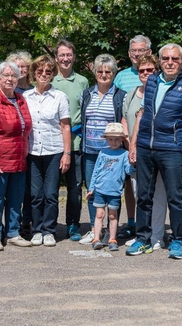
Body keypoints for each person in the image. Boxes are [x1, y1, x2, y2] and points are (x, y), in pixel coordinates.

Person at [127, 43, 182, 259]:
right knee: (143, 196)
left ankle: (177, 240)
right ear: (160, 61)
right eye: (165, 59)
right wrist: (133, 144)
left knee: (174, 198)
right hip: (146, 147)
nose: (170, 63)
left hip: (171, 149)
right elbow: (143, 114)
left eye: (175, 59)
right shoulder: (152, 81)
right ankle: (143, 239)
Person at [0, 61, 33, 251]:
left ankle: (13, 233)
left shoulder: (20, 99)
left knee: (15, 199)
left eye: (13, 76)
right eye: (6, 75)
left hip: (18, 158)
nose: (10, 79)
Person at [23, 55, 71, 247]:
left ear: (53, 74)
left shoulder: (59, 97)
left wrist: (67, 153)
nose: (44, 74)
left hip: (54, 150)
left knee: (51, 194)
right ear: (34, 73)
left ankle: (49, 230)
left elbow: (65, 126)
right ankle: (37, 229)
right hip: (32, 151)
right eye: (40, 71)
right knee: (35, 194)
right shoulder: (26, 97)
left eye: (48, 71)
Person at [78, 54, 126, 246]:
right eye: (100, 71)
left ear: (114, 73)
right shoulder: (87, 93)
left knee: (113, 191)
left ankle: (111, 232)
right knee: (93, 190)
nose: (104, 75)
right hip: (90, 151)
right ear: (95, 73)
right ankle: (94, 229)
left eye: (108, 71)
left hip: (112, 152)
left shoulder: (120, 95)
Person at [121, 54, 166, 250]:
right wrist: (130, 144)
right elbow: (124, 119)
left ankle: (157, 236)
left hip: (159, 151)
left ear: (156, 71)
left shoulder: (163, 92)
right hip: (136, 152)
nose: (146, 73)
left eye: (150, 70)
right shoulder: (131, 94)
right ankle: (142, 234)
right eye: (142, 70)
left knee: (159, 195)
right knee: (141, 195)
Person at [114, 34, 152, 236]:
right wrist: (127, 141)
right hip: (126, 140)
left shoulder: (155, 74)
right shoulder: (121, 77)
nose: (137, 54)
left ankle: (150, 225)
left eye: (141, 50)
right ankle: (131, 222)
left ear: (149, 52)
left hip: (151, 142)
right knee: (129, 184)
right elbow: (121, 111)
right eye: (134, 51)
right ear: (129, 53)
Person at [51, 39, 89, 242]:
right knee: (51, 187)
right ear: (56, 58)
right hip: (52, 143)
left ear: (74, 57)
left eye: (68, 55)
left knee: (75, 187)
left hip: (75, 143)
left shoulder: (82, 81)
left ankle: (73, 224)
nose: (65, 59)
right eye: (62, 55)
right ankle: (50, 224)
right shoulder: (49, 79)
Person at [87, 123, 135, 252]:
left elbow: (128, 171)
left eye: (117, 139)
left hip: (115, 191)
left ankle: (112, 239)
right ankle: (96, 239)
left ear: (122, 139)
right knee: (99, 214)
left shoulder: (124, 154)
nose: (114, 142)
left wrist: (133, 164)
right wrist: (91, 188)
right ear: (106, 139)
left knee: (113, 216)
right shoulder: (102, 153)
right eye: (111, 139)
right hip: (100, 189)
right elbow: (96, 171)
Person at [6, 51, 34, 237]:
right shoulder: (8, 90)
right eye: (18, 67)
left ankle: (26, 222)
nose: (21, 70)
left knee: (29, 189)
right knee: (11, 189)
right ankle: (10, 225)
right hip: (11, 147)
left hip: (31, 146)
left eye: (24, 66)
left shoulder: (34, 90)